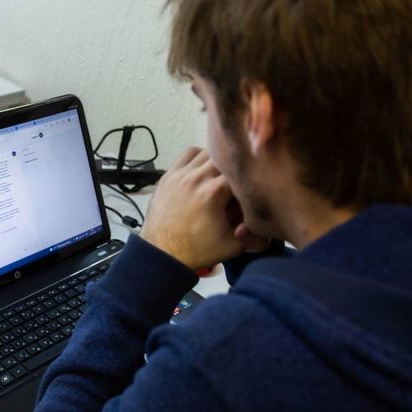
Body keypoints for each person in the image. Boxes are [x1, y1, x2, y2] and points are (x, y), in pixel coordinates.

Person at [35, 0, 412, 410]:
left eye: (206, 106)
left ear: (256, 117)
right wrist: (258, 255)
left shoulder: (221, 361)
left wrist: (151, 260)